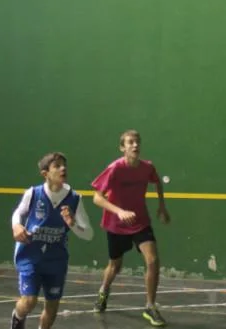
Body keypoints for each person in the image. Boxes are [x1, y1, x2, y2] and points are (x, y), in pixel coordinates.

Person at [91, 130, 170, 327]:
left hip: (140, 222)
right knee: (115, 266)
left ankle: (150, 306)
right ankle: (103, 291)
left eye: (137, 142)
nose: (135, 145)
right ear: (122, 147)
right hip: (116, 224)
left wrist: (162, 206)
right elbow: (97, 198)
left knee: (153, 260)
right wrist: (119, 211)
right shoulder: (115, 168)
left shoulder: (147, 167)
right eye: (130, 142)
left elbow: (157, 182)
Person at [10, 152, 93, 329]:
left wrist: (72, 224)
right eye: (57, 166)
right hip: (30, 255)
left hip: (56, 259)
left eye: (64, 165)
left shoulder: (74, 198)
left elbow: (88, 234)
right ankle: (18, 317)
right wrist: (16, 226)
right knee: (29, 301)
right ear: (45, 173)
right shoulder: (33, 193)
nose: (63, 169)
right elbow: (18, 212)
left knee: (52, 307)